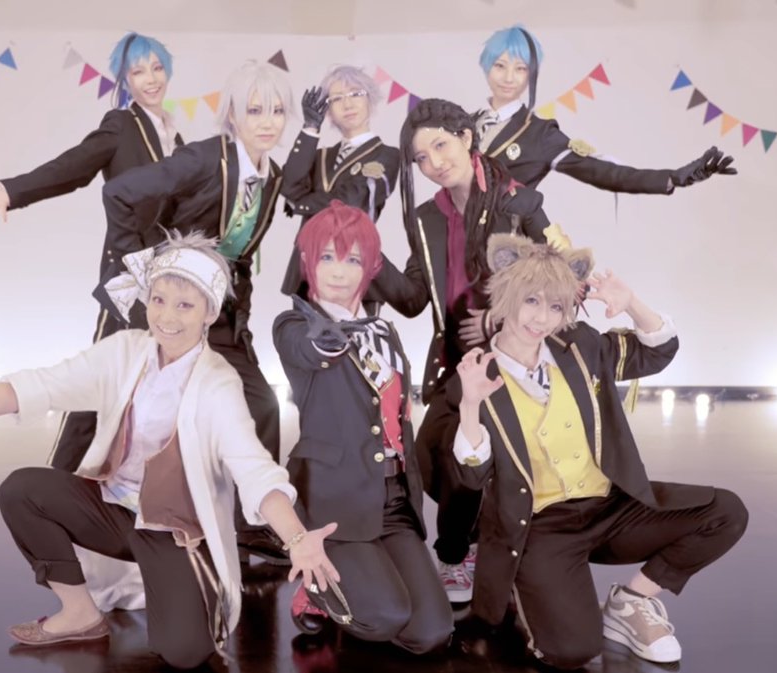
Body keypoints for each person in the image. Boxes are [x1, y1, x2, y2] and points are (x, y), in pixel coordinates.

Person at [0, 232, 340, 669]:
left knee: (184, 653)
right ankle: (79, 612)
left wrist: (296, 538)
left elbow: (253, 468)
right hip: (111, 509)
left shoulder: (218, 384)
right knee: (22, 490)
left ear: (209, 312)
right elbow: (44, 385)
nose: (167, 316)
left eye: (185, 305)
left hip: (175, 531)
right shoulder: (126, 351)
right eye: (158, 299)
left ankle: (188, 592)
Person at [449, 233, 748, 668]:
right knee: (571, 652)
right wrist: (470, 405)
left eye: (556, 306)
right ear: (506, 294)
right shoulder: (475, 375)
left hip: (609, 507)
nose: (542, 318)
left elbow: (658, 352)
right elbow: (471, 476)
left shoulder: (580, 346)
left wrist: (632, 303)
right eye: (531, 301)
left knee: (726, 512)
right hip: (540, 527)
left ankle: (631, 602)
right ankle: (527, 585)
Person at [99, 60, 295, 563]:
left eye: (276, 111)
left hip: (221, 314)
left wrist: (239, 319)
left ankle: (251, 527)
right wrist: (143, 270)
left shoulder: (270, 176)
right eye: (255, 110)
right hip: (175, 310)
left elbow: (240, 256)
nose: (267, 122)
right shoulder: (206, 158)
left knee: (263, 406)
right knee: (148, 413)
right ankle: (128, 517)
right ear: (232, 115)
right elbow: (119, 192)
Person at [0, 32, 183, 472]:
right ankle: (57, 478)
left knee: (147, 384)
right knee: (96, 383)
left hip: (165, 281)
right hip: (127, 280)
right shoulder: (121, 125)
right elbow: (73, 167)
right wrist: (12, 190)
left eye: (157, 68)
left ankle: (131, 485)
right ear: (124, 80)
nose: (150, 79)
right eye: (138, 71)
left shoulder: (174, 137)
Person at [370, 97, 557, 603]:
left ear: (467, 138)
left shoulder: (516, 202)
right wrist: (370, 255)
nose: (433, 162)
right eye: (421, 157)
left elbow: (558, 278)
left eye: (440, 145)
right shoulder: (426, 217)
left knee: (462, 454)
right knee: (430, 456)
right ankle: (475, 539)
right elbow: (414, 299)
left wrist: (499, 317)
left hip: (512, 358)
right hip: (454, 359)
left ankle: (456, 554)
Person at [274, 202, 452, 653]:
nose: (338, 271)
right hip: (335, 499)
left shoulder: (384, 332)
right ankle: (313, 595)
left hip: (393, 499)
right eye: (326, 257)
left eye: (353, 259)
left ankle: (369, 575)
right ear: (307, 263)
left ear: (371, 268)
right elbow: (314, 346)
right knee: (383, 617)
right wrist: (333, 318)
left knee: (430, 633)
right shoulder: (294, 325)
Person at [473, 25, 736, 200]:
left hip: (502, 251)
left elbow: (604, 172)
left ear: (531, 75)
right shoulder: (465, 124)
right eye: (500, 66)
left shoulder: (540, 134)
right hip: (453, 246)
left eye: (520, 68)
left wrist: (672, 177)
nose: (509, 77)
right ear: (486, 67)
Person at [279, 65, 401, 313]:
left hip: (355, 267)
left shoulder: (387, 155)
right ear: (328, 111)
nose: (348, 104)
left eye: (356, 94)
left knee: (355, 336)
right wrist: (310, 128)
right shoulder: (320, 156)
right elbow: (289, 185)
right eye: (337, 99)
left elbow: (351, 202)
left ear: (370, 100)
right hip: (308, 269)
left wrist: (300, 204)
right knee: (304, 335)